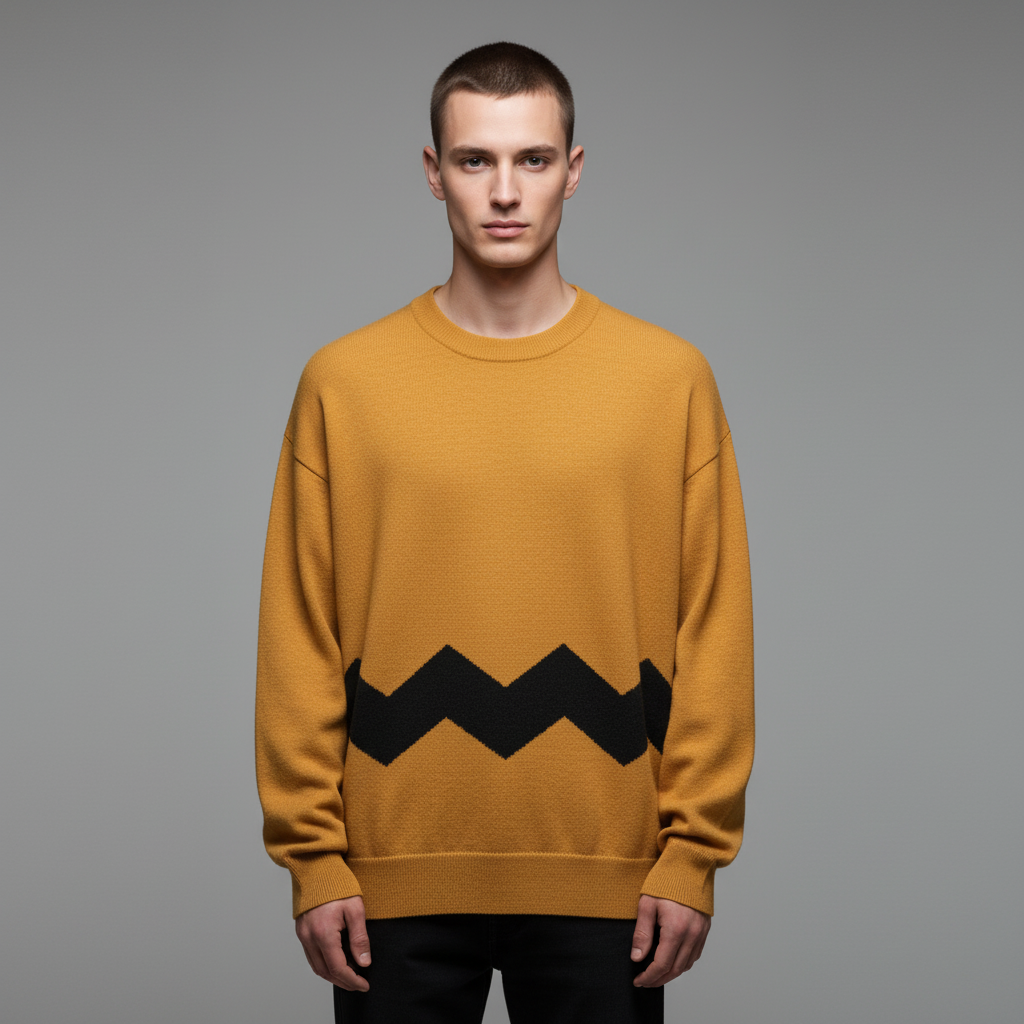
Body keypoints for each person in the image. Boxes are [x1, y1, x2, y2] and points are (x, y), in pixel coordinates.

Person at [255, 40, 755, 1024]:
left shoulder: (667, 381)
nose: (504, 191)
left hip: (613, 883)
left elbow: (714, 628)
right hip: (385, 884)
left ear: (574, 170)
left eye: (532, 158)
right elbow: (299, 632)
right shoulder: (344, 383)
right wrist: (312, 855)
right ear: (433, 172)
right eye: (475, 159)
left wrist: (692, 852)